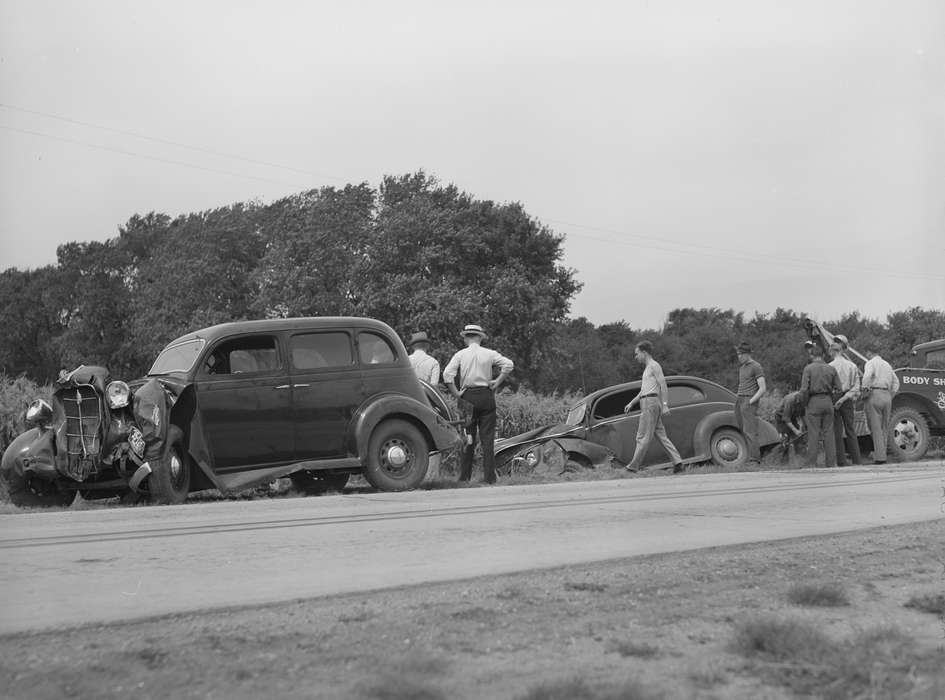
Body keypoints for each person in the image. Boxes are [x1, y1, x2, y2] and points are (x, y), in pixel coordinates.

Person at [442, 324, 514, 484]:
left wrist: (456, 393)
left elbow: (447, 374)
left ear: (466, 337)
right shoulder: (489, 353)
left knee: (468, 437)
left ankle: (464, 477)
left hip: (467, 397)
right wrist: (497, 382)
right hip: (486, 395)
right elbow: (508, 364)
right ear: (480, 337)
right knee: (487, 439)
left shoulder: (460, 354)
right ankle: (489, 478)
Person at [622, 340, 684, 473]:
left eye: (637, 353)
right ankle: (678, 462)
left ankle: (632, 467)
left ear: (644, 353)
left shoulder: (654, 366)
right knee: (661, 435)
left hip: (650, 403)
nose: (636, 357)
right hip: (648, 402)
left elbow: (663, 384)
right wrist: (632, 403)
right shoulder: (647, 368)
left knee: (642, 436)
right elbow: (643, 390)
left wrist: (666, 404)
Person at [800, 344, 842, 468]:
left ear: (812, 355)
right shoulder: (831, 369)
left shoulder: (808, 369)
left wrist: (805, 403)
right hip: (828, 402)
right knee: (829, 433)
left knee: (814, 433)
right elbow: (839, 389)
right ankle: (831, 463)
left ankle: (812, 463)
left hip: (813, 402)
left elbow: (803, 390)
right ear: (823, 355)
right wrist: (831, 399)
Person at [861, 348, 900, 464]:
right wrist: (890, 394)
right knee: (884, 427)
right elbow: (896, 382)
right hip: (887, 395)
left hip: (875, 394)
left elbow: (867, 376)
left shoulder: (870, 363)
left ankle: (880, 458)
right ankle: (883, 454)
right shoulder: (887, 365)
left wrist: (865, 390)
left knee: (875, 427)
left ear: (870, 353)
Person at [829, 340, 862, 466]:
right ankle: (857, 460)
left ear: (833, 351)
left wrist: (838, 399)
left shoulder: (830, 366)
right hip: (847, 398)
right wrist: (845, 398)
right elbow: (856, 386)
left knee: (837, 430)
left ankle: (841, 460)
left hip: (834, 397)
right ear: (841, 351)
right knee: (850, 429)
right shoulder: (852, 366)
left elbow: (829, 385)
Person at [733, 341, 766, 464]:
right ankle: (747, 457)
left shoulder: (756, 366)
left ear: (747, 354)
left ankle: (755, 459)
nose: (739, 357)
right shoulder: (742, 368)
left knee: (750, 430)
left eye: (741, 354)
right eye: (738, 354)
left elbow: (763, 388)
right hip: (740, 398)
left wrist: (750, 401)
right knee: (742, 429)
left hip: (749, 399)